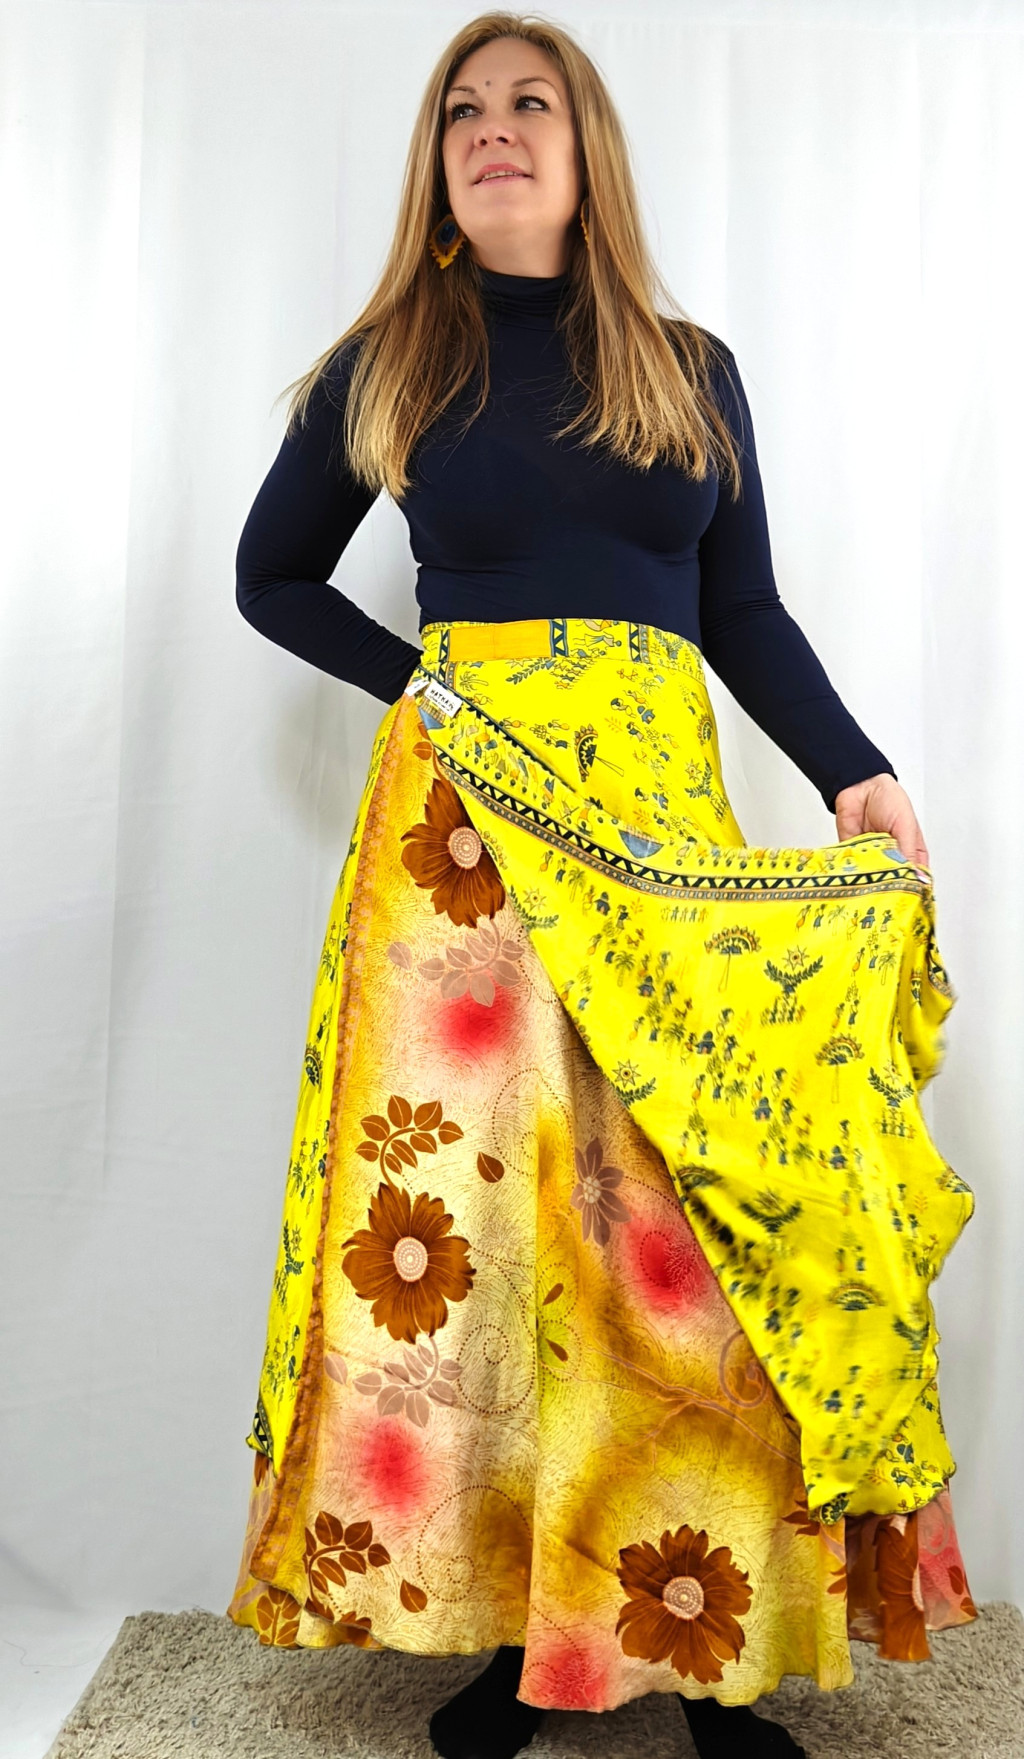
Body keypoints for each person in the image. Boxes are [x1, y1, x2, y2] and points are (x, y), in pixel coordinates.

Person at [225, 15, 978, 1759]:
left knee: (673, 1229)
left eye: (530, 103)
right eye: (462, 113)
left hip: (655, 845)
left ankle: (706, 1643)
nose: (493, 129)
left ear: (587, 154)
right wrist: (429, 693)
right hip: (464, 858)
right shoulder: (388, 364)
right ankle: (516, 1636)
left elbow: (745, 613)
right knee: (489, 1242)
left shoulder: (688, 369)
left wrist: (855, 770)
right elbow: (272, 576)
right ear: (437, 170)